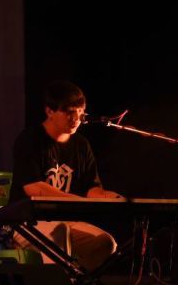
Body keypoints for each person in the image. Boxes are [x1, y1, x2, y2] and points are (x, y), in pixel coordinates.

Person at [9, 80, 121, 272]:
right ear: (49, 111)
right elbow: (33, 188)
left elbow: (91, 188)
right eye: (69, 112)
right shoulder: (29, 140)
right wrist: (78, 202)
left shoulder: (81, 145)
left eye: (81, 112)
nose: (76, 119)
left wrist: (113, 199)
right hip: (26, 223)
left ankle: (76, 284)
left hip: (65, 221)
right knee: (60, 232)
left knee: (106, 243)